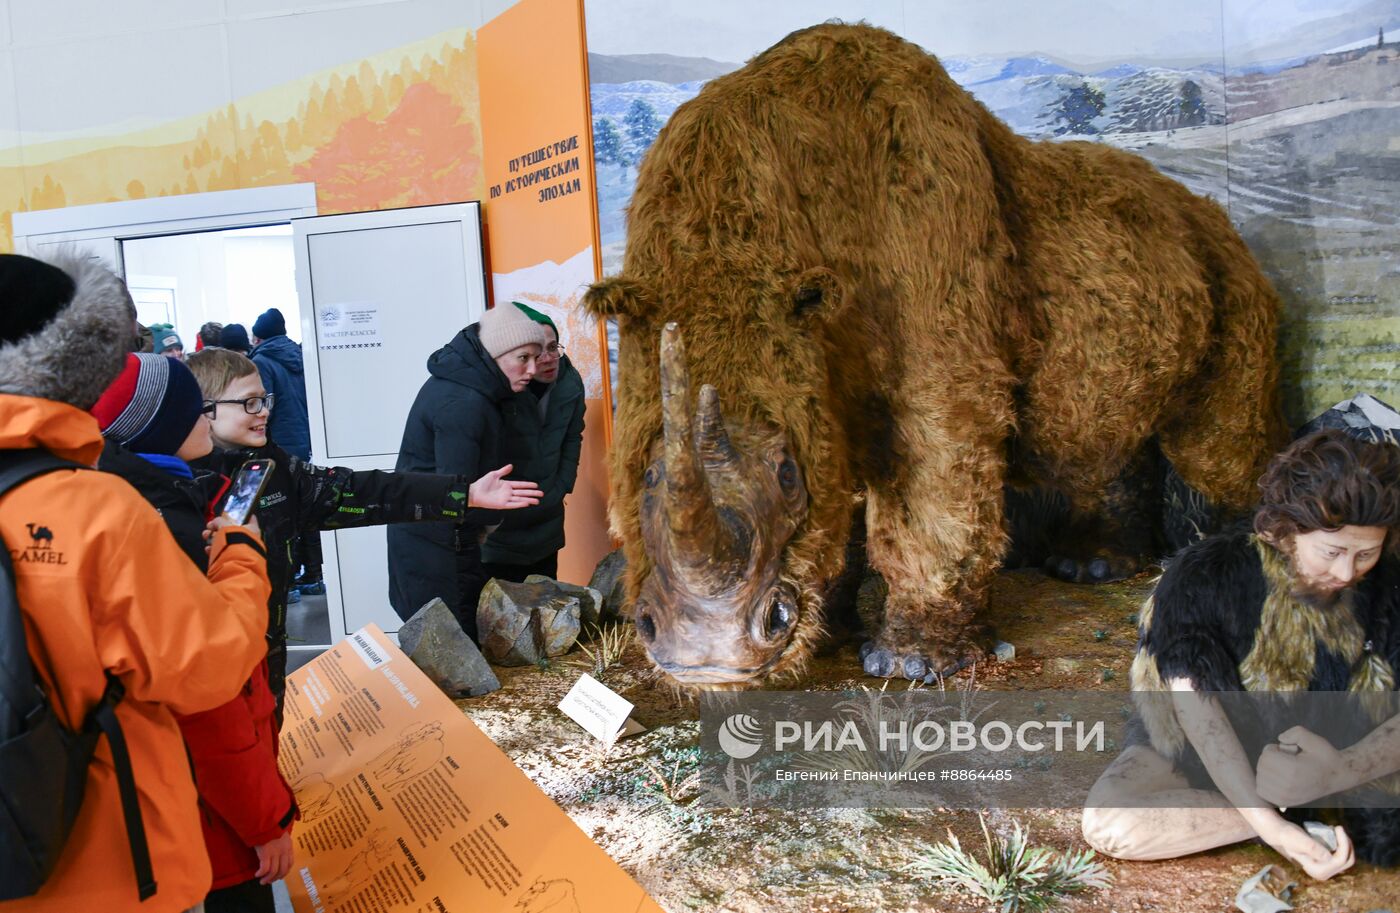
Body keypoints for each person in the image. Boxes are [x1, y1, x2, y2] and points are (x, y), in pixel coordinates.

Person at [0, 250, 270, 912]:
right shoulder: (95, 509)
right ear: (78, 363)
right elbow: (206, 667)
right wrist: (239, 555)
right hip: (104, 867)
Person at [1082, 429, 1400, 880]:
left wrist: (1340, 771)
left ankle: (1314, 798)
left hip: (1338, 754)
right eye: (1331, 552)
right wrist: (1270, 825)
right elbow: (1197, 710)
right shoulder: (1202, 575)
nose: (1348, 572)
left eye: (1366, 553)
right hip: (1205, 752)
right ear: (1284, 533)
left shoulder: (1389, 585)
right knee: (1110, 823)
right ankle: (1297, 813)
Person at [187, 348, 541, 712]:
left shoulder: (271, 467)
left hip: (266, 672)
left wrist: (463, 494)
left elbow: (365, 491)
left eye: (264, 400)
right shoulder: (182, 493)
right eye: (248, 403)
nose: (263, 411)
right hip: (211, 681)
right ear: (205, 410)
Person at [91, 353, 295, 913]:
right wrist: (265, 822)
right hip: (212, 816)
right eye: (195, 412)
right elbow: (213, 700)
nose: (207, 421)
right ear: (163, 424)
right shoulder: (177, 532)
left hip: (168, 802)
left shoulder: (135, 500)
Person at [388, 304, 549, 638]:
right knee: (452, 642)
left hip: (434, 533)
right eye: (523, 358)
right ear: (495, 353)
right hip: (438, 544)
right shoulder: (464, 402)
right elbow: (455, 490)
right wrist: (479, 528)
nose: (532, 369)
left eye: (537, 357)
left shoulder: (472, 387)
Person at [480, 302, 585, 583]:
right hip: (499, 532)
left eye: (553, 348)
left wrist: (562, 485)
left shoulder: (570, 383)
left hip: (547, 521)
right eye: (537, 352)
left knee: (545, 603)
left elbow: (573, 436)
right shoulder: (498, 392)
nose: (548, 358)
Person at [249, 308, 310, 461]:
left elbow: (266, 406)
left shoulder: (261, 361)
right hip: (306, 435)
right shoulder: (300, 354)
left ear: (258, 337)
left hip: (280, 439)